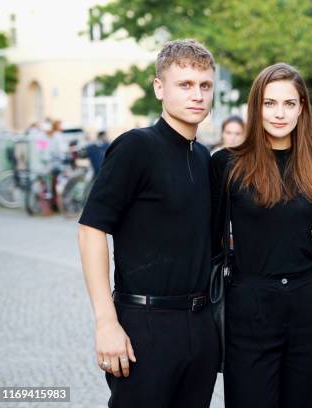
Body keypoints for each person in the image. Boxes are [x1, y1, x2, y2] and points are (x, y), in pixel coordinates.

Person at [77, 39, 219, 408]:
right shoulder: (135, 147)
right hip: (145, 324)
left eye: (204, 85)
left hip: (200, 325)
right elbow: (91, 229)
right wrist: (105, 322)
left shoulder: (204, 157)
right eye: (184, 85)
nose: (197, 95)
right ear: (160, 88)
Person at [210, 63, 312, 408]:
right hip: (249, 305)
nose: (279, 113)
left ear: (302, 108)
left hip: (306, 306)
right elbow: (210, 242)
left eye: (289, 104)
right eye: (269, 103)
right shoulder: (228, 164)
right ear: (256, 107)